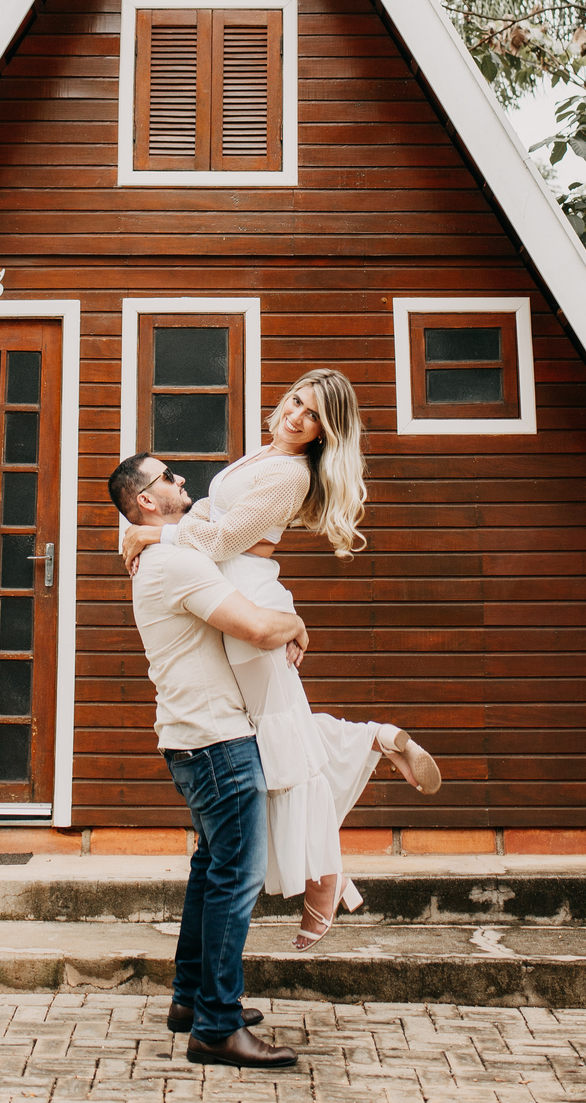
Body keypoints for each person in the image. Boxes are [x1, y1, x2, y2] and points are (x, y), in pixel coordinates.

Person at [121, 368, 441, 950]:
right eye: (297, 401)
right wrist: (166, 530)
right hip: (237, 589)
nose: (297, 416)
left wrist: (153, 536)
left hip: (246, 592)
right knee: (278, 730)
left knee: (278, 738)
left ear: (325, 432)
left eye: (314, 415)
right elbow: (209, 517)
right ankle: (374, 743)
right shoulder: (263, 455)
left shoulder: (291, 473)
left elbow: (224, 541)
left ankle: (325, 877)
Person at [109, 451, 303, 1070]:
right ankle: (217, 1026)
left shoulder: (164, 556)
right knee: (234, 879)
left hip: (192, 738)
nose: (182, 479)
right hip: (218, 741)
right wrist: (294, 621)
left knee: (211, 868)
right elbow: (257, 628)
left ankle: (191, 1000)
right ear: (146, 500)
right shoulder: (175, 561)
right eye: (168, 476)